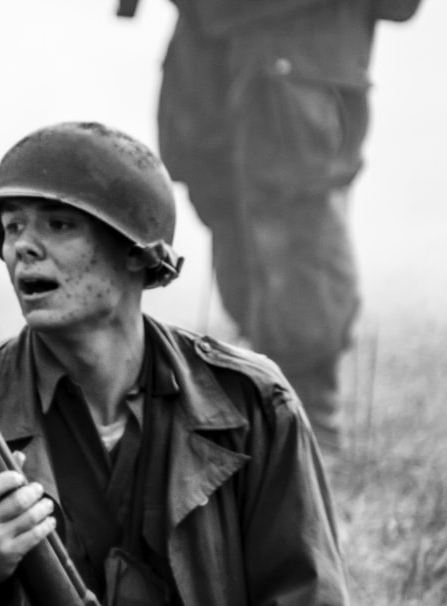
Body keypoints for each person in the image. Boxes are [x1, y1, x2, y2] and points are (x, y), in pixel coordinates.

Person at [0, 121, 351, 606]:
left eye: (59, 225)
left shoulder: (253, 408)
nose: (23, 250)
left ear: (136, 253)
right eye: (13, 228)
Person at [153, 0, 423, 450]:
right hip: (212, 28)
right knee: (220, 193)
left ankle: (308, 423)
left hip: (300, 38)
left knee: (295, 214)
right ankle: (263, 396)